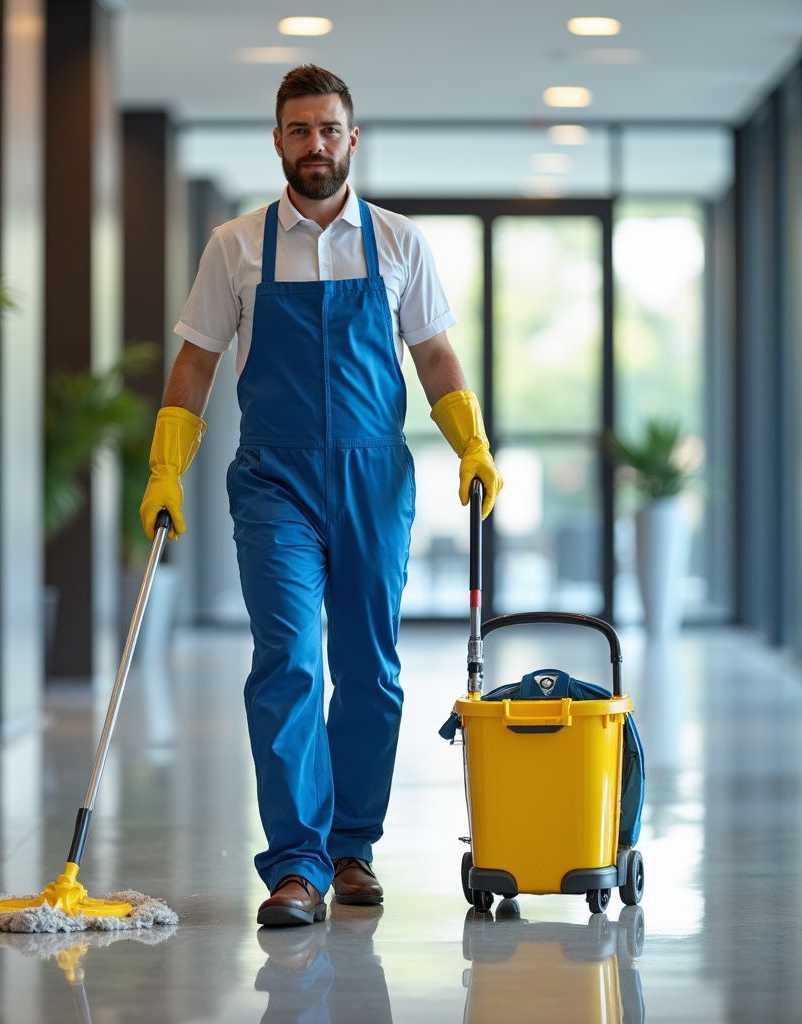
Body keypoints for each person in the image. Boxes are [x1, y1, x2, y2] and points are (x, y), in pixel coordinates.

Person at [139, 65, 503, 927]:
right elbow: (195, 362)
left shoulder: (398, 242)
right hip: (274, 481)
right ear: (278, 141)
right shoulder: (236, 245)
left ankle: (351, 850)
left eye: (328, 129)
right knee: (289, 662)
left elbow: (436, 355)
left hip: (375, 479)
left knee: (370, 672)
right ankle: (295, 865)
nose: (314, 145)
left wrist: (472, 441)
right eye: (298, 130)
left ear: (352, 137)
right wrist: (166, 465)